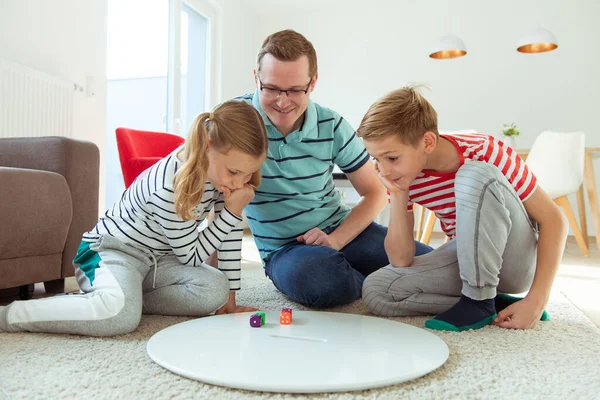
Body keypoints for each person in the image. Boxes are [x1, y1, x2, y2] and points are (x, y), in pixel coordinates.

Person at [0, 100, 268, 336]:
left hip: (159, 260)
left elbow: (228, 237)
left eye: (248, 174)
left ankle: (123, 297)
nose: (240, 183)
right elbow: (191, 256)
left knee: (214, 290)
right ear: (209, 145)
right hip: (101, 251)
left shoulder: (221, 177)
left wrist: (229, 301)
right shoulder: (170, 184)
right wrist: (232, 212)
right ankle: (10, 315)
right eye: (234, 172)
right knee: (119, 317)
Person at [237, 30, 433, 308]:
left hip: (343, 231)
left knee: (429, 263)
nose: (282, 101)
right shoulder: (235, 120)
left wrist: (336, 240)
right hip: (285, 251)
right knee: (322, 281)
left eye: (295, 90)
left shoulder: (331, 124)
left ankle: (378, 277)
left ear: (313, 82)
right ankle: (382, 282)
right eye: (270, 88)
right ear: (256, 77)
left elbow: (375, 193)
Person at [357, 86, 567, 331]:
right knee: (377, 291)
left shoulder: (483, 151)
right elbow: (401, 259)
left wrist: (536, 300)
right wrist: (399, 194)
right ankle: (490, 301)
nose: (383, 170)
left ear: (427, 142)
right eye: (376, 159)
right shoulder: (403, 175)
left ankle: (478, 302)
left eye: (391, 158)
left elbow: (554, 219)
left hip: (515, 260)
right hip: (469, 260)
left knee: (474, 173)